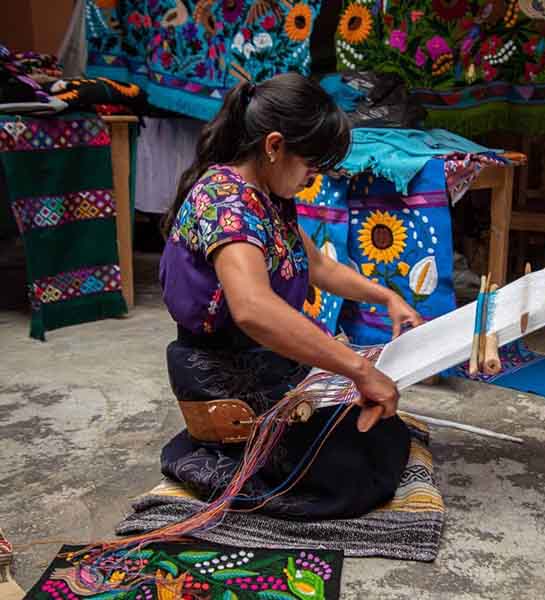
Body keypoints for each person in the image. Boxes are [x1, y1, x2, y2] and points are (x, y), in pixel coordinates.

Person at [158, 73, 423, 520]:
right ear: (274, 146)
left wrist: (387, 297)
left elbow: (316, 265)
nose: (311, 180)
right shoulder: (225, 203)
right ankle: (215, 449)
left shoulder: (267, 196)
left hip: (263, 360)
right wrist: (358, 368)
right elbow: (253, 308)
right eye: (310, 168)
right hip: (221, 373)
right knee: (349, 474)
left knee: (381, 431)